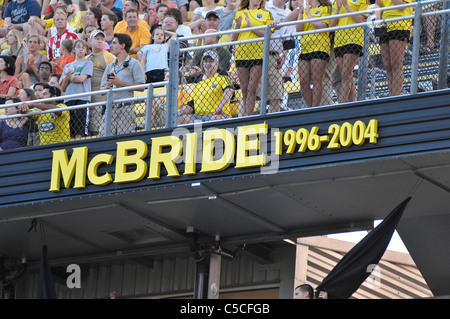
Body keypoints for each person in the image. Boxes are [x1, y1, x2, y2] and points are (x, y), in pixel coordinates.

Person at [230, 0, 278, 117]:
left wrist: (251, 26)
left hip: (258, 55)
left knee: (252, 88)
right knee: (244, 89)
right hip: (241, 54)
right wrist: (237, 25)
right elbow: (233, 38)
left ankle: (248, 116)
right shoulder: (239, 13)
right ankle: (246, 116)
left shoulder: (266, 13)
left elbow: (267, 34)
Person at [99, 33, 145, 136]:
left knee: (125, 139)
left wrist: (121, 83)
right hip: (110, 107)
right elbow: (101, 90)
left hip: (126, 107)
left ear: (123, 46)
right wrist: (107, 87)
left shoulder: (134, 63)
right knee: (103, 137)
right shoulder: (110, 66)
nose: (111, 46)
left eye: (114, 43)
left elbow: (141, 87)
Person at [330, 0, 369, 103]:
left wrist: (346, 5)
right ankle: (353, 103)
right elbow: (331, 26)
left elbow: (360, 20)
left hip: (353, 39)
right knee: (347, 76)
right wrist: (338, 9)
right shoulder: (336, 1)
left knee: (346, 75)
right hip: (339, 41)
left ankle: (341, 105)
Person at [178, 50, 234, 124]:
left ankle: (202, 132)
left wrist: (219, 108)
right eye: (205, 61)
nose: (207, 63)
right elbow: (191, 106)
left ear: (217, 64)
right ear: (202, 63)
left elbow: (229, 90)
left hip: (216, 114)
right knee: (178, 118)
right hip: (198, 118)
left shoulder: (222, 77)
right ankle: (198, 133)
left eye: (211, 61)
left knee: (217, 118)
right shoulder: (198, 82)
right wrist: (180, 111)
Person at [296, 0, 332, 108]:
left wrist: (308, 14)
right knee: (303, 80)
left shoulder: (325, 9)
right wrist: (301, 13)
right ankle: (310, 107)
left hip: (320, 48)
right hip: (305, 49)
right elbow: (299, 29)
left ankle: (315, 107)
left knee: (317, 79)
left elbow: (323, 27)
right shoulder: (306, 11)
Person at [375, 0, 413, 97]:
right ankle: (391, 94)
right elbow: (378, 7)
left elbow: (401, 6)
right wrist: (377, 25)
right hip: (384, 25)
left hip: (399, 24)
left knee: (396, 63)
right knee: (387, 65)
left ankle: (395, 95)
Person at [60, 39, 93, 138]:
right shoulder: (67, 66)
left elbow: (82, 78)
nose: (80, 49)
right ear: (73, 49)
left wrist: (69, 78)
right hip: (69, 99)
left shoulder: (88, 63)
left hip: (82, 98)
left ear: (86, 51)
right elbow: (62, 86)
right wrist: (67, 79)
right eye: (78, 47)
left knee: (80, 129)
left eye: (83, 48)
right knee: (68, 130)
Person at [86, 30, 115, 136]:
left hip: (103, 100)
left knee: (100, 130)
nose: (100, 41)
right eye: (97, 39)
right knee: (91, 131)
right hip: (89, 100)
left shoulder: (109, 56)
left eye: (102, 39)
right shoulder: (86, 58)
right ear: (90, 41)